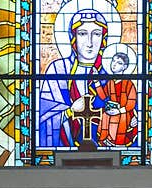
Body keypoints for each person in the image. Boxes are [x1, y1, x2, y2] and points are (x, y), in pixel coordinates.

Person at [38, 9, 108, 147]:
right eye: (82, 33)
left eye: (96, 34)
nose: (90, 42)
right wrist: (70, 110)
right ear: (73, 37)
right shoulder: (58, 70)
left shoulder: (110, 74)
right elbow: (43, 117)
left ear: (103, 39)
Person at [94, 51, 138, 147]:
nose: (114, 64)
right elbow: (103, 96)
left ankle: (117, 142)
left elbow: (131, 103)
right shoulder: (111, 82)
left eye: (119, 63)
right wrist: (96, 81)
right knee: (105, 115)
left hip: (125, 113)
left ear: (125, 67)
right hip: (112, 111)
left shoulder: (129, 84)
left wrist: (119, 111)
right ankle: (107, 139)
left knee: (118, 118)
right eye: (113, 61)